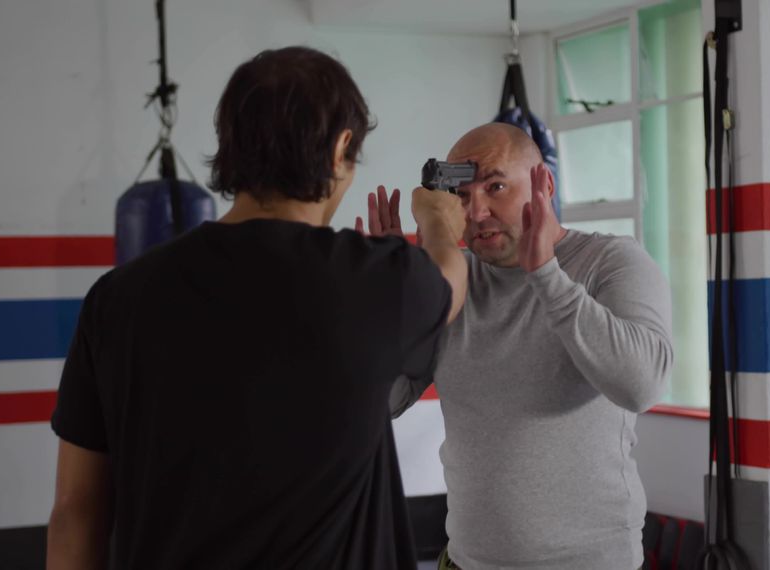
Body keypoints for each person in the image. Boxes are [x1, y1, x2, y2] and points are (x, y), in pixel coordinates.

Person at [45, 46, 466, 570]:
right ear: (340, 149)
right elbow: (452, 277)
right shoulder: (374, 280)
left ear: (231, 148)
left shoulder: (116, 297)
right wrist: (438, 220)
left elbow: (75, 510)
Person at [373, 123, 673, 569]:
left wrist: (547, 276)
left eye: (495, 186)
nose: (476, 212)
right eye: (462, 195)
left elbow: (642, 386)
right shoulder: (458, 280)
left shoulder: (610, 262)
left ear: (545, 184)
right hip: (467, 562)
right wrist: (397, 298)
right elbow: (385, 401)